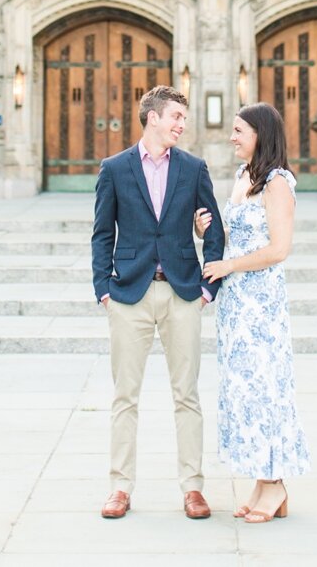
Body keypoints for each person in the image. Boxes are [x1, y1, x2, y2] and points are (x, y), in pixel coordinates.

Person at [91, 84, 225, 521]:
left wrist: (208, 288)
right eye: (176, 118)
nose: (182, 125)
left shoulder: (193, 168)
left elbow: (215, 230)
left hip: (183, 293)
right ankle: (120, 487)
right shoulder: (113, 169)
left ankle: (193, 489)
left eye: (183, 119)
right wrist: (103, 289)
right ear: (152, 117)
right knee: (125, 396)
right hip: (129, 294)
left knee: (186, 395)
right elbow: (101, 233)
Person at [197, 101, 311, 523]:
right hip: (236, 306)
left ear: (260, 134)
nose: (232, 137)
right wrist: (206, 231)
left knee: (266, 391)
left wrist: (229, 265)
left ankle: (276, 482)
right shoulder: (244, 177)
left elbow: (279, 249)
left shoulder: (278, 182)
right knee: (244, 393)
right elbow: (237, 235)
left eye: (239, 131)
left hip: (261, 304)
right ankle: (262, 483)